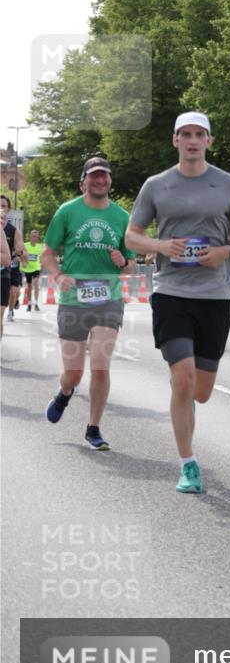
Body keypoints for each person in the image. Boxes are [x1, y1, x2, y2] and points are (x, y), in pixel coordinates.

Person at [125, 111, 230, 494]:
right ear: (175, 140)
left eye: (200, 134)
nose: (193, 140)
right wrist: (160, 245)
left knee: (201, 390)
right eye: (186, 134)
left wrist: (227, 251)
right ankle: (188, 463)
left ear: (210, 141)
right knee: (183, 380)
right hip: (171, 292)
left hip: (214, 295)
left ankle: (186, 388)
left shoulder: (227, 184)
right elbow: (132, 236)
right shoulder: (157, 185)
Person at [40, 155, 136, 450]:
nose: (100, 179)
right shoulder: (67, 212)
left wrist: (123, 262)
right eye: (94, 175)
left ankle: (93, 428)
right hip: (73, 300)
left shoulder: (122, 217)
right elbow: (47, 253)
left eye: (104, 175)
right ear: (84, 181)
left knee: (100, 366)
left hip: (108, 299)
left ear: (109, 180)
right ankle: (64, 393)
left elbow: (131, 265)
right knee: (74, 372)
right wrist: (57, 276)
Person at [1, 194, 26, 322]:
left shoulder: (14, 231)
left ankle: (10, 311)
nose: (0, 208)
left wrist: (20, 253)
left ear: (8, 210)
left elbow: (22, 251)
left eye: (3, 206)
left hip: (9, 269)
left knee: (14, 291)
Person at [21, 229, 45, 310]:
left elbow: (42, 258)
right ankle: (29, 303)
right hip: (27, 269)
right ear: (30, 237)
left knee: (36, 284)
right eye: (32, 236)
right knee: (29, 286)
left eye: (35, 236)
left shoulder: (40, 246)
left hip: (36, 268)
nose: (34, 238)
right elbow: (21, 255)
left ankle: (36, 303)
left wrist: (42, 266)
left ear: (37, 238)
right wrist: (24, 262)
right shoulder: (25, 245)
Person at [0, 210, 12, 338]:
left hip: (3, 277)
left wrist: (21, 253)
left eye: (2, 218)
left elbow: (7, 260)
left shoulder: (12, 232)